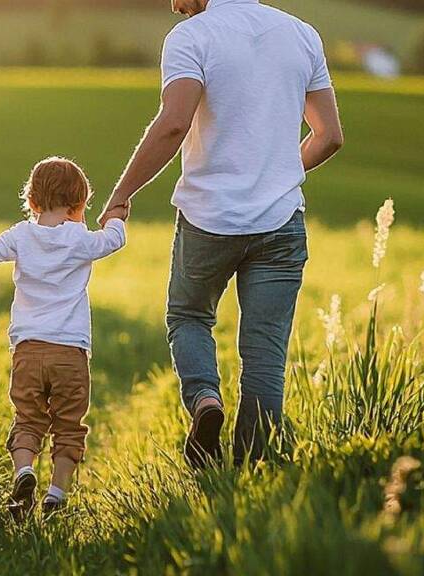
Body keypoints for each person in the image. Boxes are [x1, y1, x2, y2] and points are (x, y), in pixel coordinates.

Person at [99, 0, 344, 467]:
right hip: (281, 224)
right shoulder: (301, 34)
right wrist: (277, 173)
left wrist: (121, 194)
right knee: (265, 354)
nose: (173, 4)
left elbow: (174, 124)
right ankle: (253, 471)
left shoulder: (192, 37)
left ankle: (205, 400)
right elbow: (329, 135)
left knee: (188, 316)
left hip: (208, 220)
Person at [0, 157, 127, 519]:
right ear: (80, 205)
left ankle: (23, 472)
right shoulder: (79, 239)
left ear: (31, 201)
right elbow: (114, 239)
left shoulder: (21, 235)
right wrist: (116, 216)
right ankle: (56, 494)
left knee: (28, 419)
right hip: (70, 352)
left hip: (28, 350)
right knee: (68, 425)